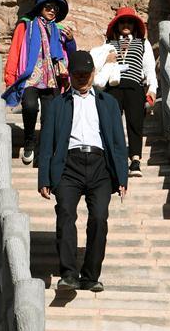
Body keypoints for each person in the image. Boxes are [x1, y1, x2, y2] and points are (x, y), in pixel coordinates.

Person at [37, 51, 129, 292]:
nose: (82, 79)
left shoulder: (109, 103)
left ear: (93, 74)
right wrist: (43, 177)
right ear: (70, 75)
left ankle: (90, 276)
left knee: (99, 218)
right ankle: (68, 273)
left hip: (100, 166)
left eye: (86, 75)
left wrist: (122, 177)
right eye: (77, 74)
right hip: (69, 165)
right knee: (66, 213)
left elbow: (119, 143)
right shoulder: (58, 104)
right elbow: (46, 143)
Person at [2, 0, 76, 165]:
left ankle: (43, 151)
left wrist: (71, 41)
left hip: (53, 78)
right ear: (40, 8)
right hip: (31, 76)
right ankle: (29, 141)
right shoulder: (25, 26)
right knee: (29, 106)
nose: (52, 11)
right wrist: (10, 77)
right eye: (48, 7)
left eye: (55, 8)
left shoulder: (59, 30)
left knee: (50, 116)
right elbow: (15, 51)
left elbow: (71, 55)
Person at [103, 7, 157, 178]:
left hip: (134, 86)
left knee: (135, 122)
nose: (125, 25)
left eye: (129, 22)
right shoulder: (108, 44)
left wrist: (152, 89)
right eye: (122, 22)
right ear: (117, 25)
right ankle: (114, 158)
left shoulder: (143, 43)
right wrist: (106, 60)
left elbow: (149, 69)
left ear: (134, 26)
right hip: (113, 87)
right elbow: (99, 66)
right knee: (112, 122)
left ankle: (135, 159)